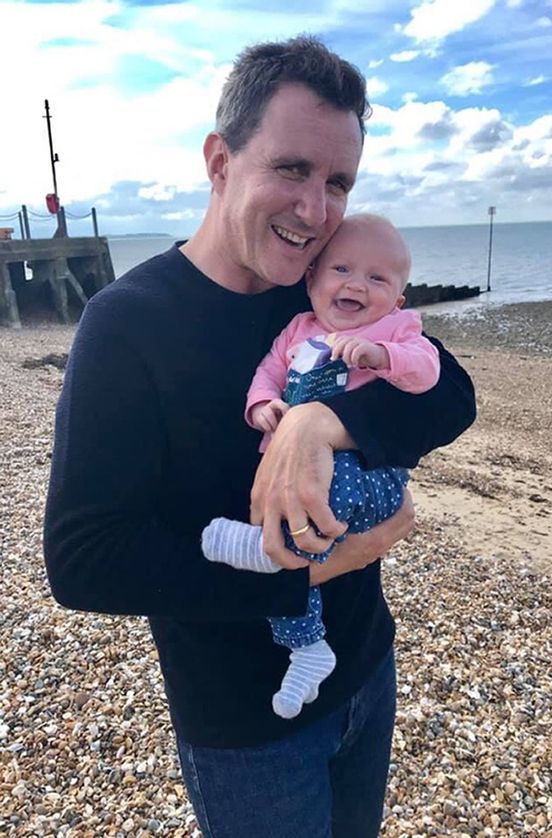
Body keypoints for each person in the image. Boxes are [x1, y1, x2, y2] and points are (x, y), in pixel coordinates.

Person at [44, 36, 476, 838]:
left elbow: (451, 391)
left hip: (367, 668)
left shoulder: (322, 287)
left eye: (338, 182)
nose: (315, 212)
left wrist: (322, 420)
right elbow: (84, 559)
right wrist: (298, 579)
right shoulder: (127, 325)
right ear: (219, 160)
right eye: (292, 169)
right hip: (244, 726)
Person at [203, 213, 440, 720]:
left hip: (368, 479)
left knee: (310, 507)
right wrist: (262, 405)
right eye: (342, 270)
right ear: (311, 281)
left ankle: (264, 552)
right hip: (303, 490)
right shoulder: (297, 330)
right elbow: (267, 371)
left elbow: (430, 372)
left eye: (377, 279)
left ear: (398, 299)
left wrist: (382, 356)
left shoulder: (394, 329)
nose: (356, 284)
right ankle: (308, 649)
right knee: (286, 518)